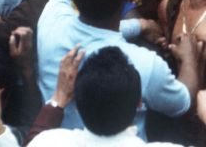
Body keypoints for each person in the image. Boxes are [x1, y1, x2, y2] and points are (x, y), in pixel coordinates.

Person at [36, 0, 194, 135]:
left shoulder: (50, 20)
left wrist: (140, 25)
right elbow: (183, 103)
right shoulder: (143, 64)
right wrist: (190, 58)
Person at [29, 47, 186, 147]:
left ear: (76, 106)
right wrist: (189, 60)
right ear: (139, 103)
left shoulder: (48, 142)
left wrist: (58, 99)